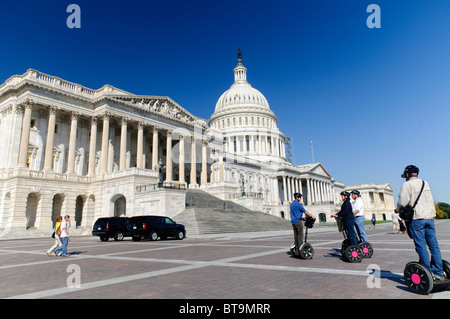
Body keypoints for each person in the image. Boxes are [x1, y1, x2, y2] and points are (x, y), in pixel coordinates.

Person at [397, 165, 446, 281]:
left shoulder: (407, 184)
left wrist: (398, 209)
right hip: (429, 217)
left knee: (421, 246)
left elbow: (403, 201)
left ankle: (427, 271)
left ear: (408, 174)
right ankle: (439, 271)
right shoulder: (425, 183)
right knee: (434, 246)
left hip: (417, 218)